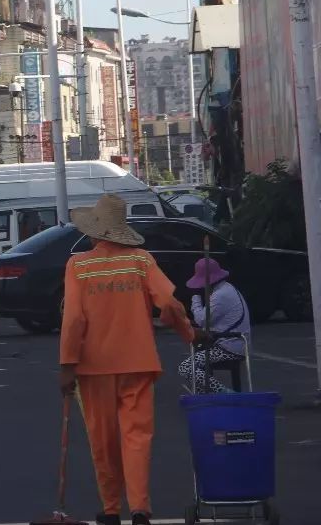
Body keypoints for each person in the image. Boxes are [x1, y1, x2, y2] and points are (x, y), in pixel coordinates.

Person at [59, 194, 195, 525]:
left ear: (95, 233)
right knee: (137, 438)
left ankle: (109, 509)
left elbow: (74, 319)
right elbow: (170, 304)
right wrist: (191, 335)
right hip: (138, 362)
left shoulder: (79, 265)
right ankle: (139, 508)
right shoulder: (140, 260)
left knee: (102, 440)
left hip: (94, 366)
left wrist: (67, 364)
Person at [179, 259, 251, 394]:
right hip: (232, 342)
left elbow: (202, 320)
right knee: (197, 356)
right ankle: (205, 394)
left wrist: (195, 298)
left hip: (229, 347)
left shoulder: (220, 295)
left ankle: (224, 392)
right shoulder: (227, 288)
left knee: (187, 367)